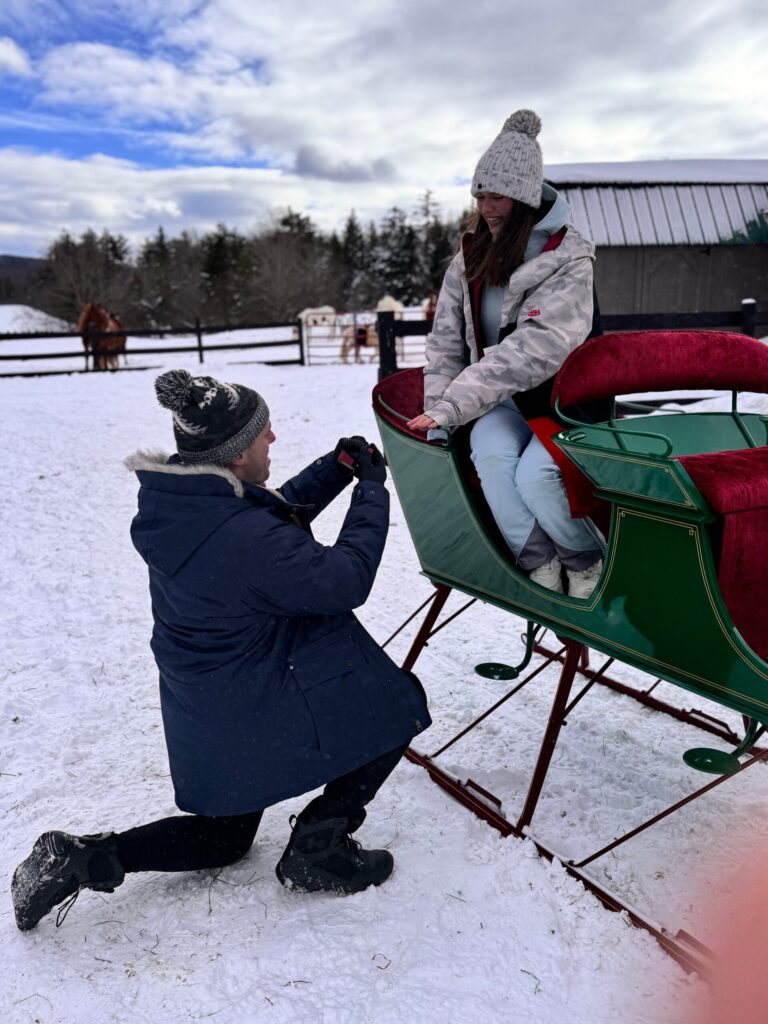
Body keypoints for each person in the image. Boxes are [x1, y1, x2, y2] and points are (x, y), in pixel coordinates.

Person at [12, 369, 430, 931]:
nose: (273, 439)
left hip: (208, 699)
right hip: (254, 694)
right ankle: (320, 845)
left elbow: (264, 518)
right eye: (264, 433)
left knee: (224, 838)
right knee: (397, 701)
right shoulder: (244, 538)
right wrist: (371, 491)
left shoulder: (187, 505)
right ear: (236, 455)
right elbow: (343, 579)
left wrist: (333, 470)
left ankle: (83, 859)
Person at [407, 109, 604, 599]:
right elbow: (446, 342)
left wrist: (456, 404)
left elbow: (534, 349)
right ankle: (538, 564)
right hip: (502, 399)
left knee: (536, 478)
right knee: (492, 457)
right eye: (480, 195)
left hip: (563, 401)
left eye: (497, 196)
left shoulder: (568, 258)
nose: (486, 207)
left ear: (524, 196)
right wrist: (439, 412)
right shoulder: (471, 257)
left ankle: (585, 561)